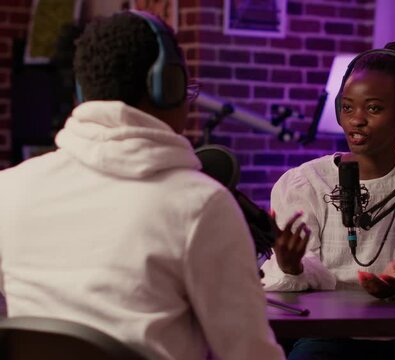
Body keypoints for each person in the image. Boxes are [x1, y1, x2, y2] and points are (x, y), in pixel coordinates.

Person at [0, 11, 284, 360]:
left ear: (82, 89)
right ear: (169, 85)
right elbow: (249, 354)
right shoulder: (199, 204)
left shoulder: (9, 189)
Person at [261, 42, 395, 359]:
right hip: (329, 334)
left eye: (374, 108)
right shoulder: (304, 182)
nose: (357, 120)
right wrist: (291, 264)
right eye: (348, 107)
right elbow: (309, 267)